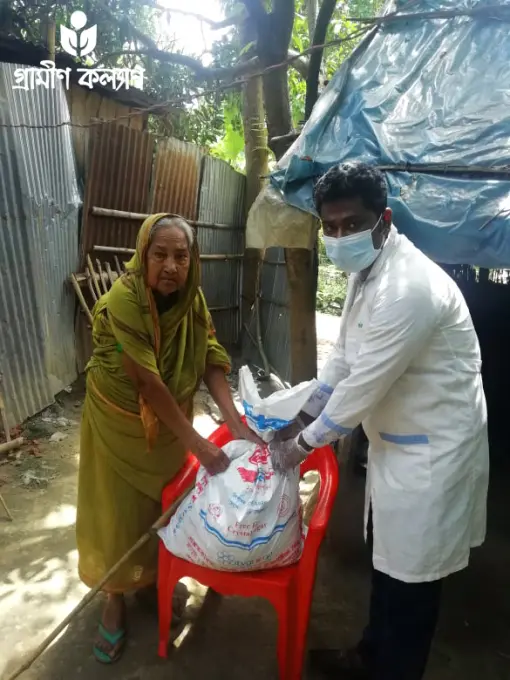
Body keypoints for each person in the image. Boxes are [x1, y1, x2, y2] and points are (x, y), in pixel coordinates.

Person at [269, 163, 490, 680]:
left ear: (383, 220)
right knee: (388, 565)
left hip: (434, 455)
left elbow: (359, 391)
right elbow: (342, 361)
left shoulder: (408, 287)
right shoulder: (366, 273)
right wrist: (301, 414)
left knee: (413, 586)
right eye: (330, 226)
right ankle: (369, 656)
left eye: (352, 223)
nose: (340, 235)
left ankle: (394, 669)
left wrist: (298, 446)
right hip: (396, 446)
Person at [76, 213, 260, 664]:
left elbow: (210, 357)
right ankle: (114, 598)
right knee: (116, 514)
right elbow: (148, 382)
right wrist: (198, 444)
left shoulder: (192, 300)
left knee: (160, 509)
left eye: (181, 256)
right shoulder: (124, 301)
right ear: (143, 256)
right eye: (160, 254)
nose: (171, 266)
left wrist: (235, 423)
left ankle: (150, 582)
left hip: (168, 427)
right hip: (118, 423)